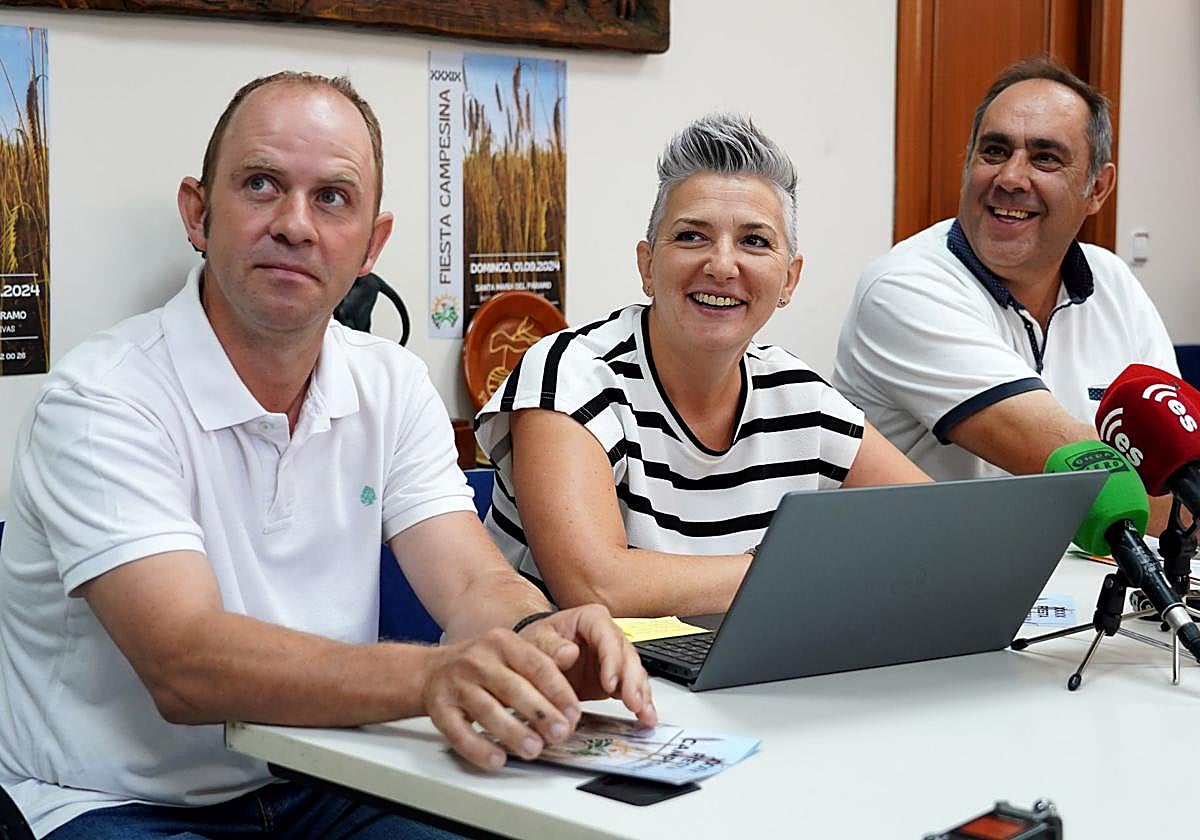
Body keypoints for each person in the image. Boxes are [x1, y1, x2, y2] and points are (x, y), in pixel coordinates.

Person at [0, 72, 654, 840]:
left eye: (333, 198)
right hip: (113, 802)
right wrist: (432, 674)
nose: (295, 225)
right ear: (198, 213)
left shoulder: (390, 382)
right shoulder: (101, 399)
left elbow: (472, 579)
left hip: (325, 775)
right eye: (261, 184)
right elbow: (184, 665)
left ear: (372, 245)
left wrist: (537, 633)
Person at [475, 114, 929, 619]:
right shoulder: (569, 376)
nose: (721, 265)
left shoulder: (800, 395)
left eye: (755, 241)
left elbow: (936, 524)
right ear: (648, 265)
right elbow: (599, 588)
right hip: (553, 689)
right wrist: (798, 567)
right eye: (691, 236)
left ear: (789, 280)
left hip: (725, 682)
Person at [832, 57, 1178, 529]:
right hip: (934, 583)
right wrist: (1183, 503)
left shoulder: (1113, 282)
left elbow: (1177, 455)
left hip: (1093, 578)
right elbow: (1080, 474)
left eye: (1045, 158)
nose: (1011, 178)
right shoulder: (905, 286)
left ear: (1097, 188)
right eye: (994, 151)